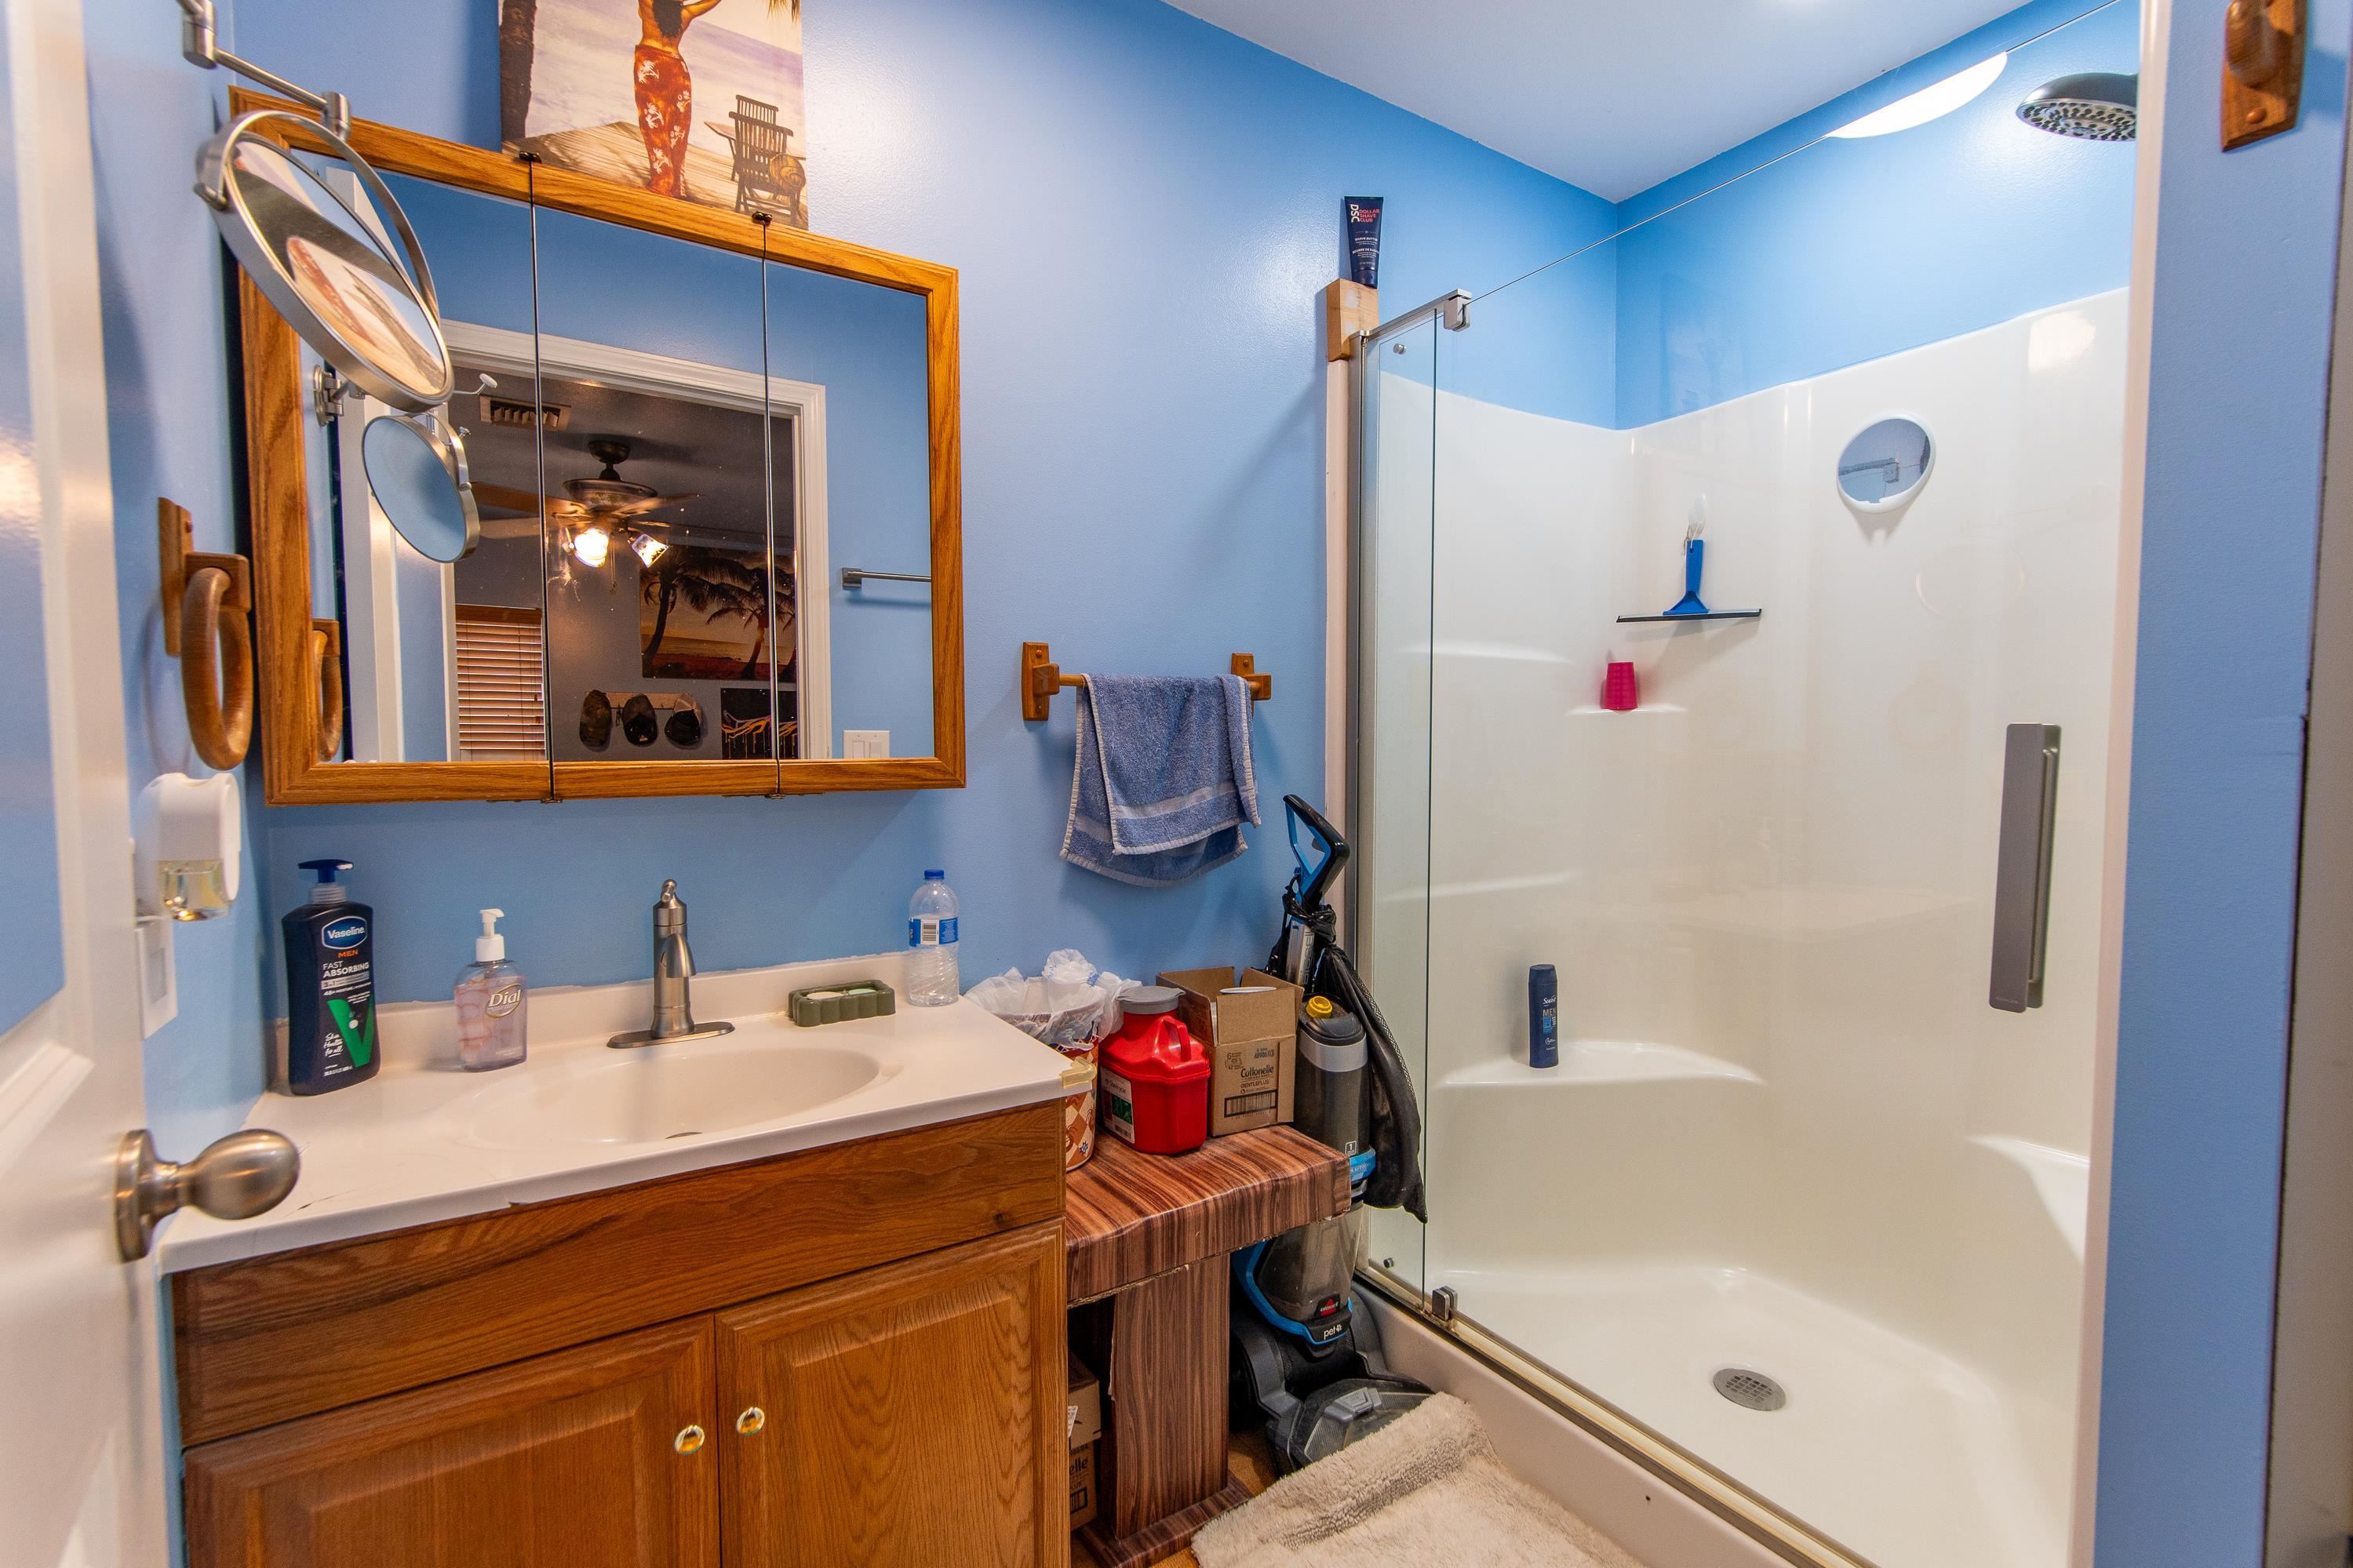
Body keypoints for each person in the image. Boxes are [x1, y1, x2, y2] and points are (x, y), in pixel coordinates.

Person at [634, 0, 725, 198]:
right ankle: (675, 185)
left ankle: (662, 181)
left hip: (651, 63)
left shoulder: (648, 5)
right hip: (677, 69)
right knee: (677, 130)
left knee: (653, 126)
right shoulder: (685, 14)